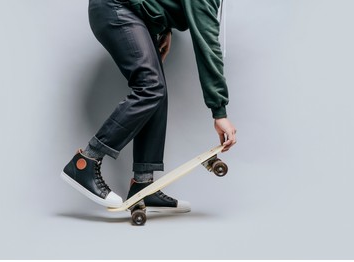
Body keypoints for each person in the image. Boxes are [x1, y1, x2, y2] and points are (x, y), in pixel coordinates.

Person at [61, 0, 237, 212]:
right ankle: (85, 161)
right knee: (151, 87)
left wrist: (164, 27)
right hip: (115, 7)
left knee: (156, 91)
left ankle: (143, 185)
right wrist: (219, 112)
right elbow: (207, 45)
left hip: (130, 11)